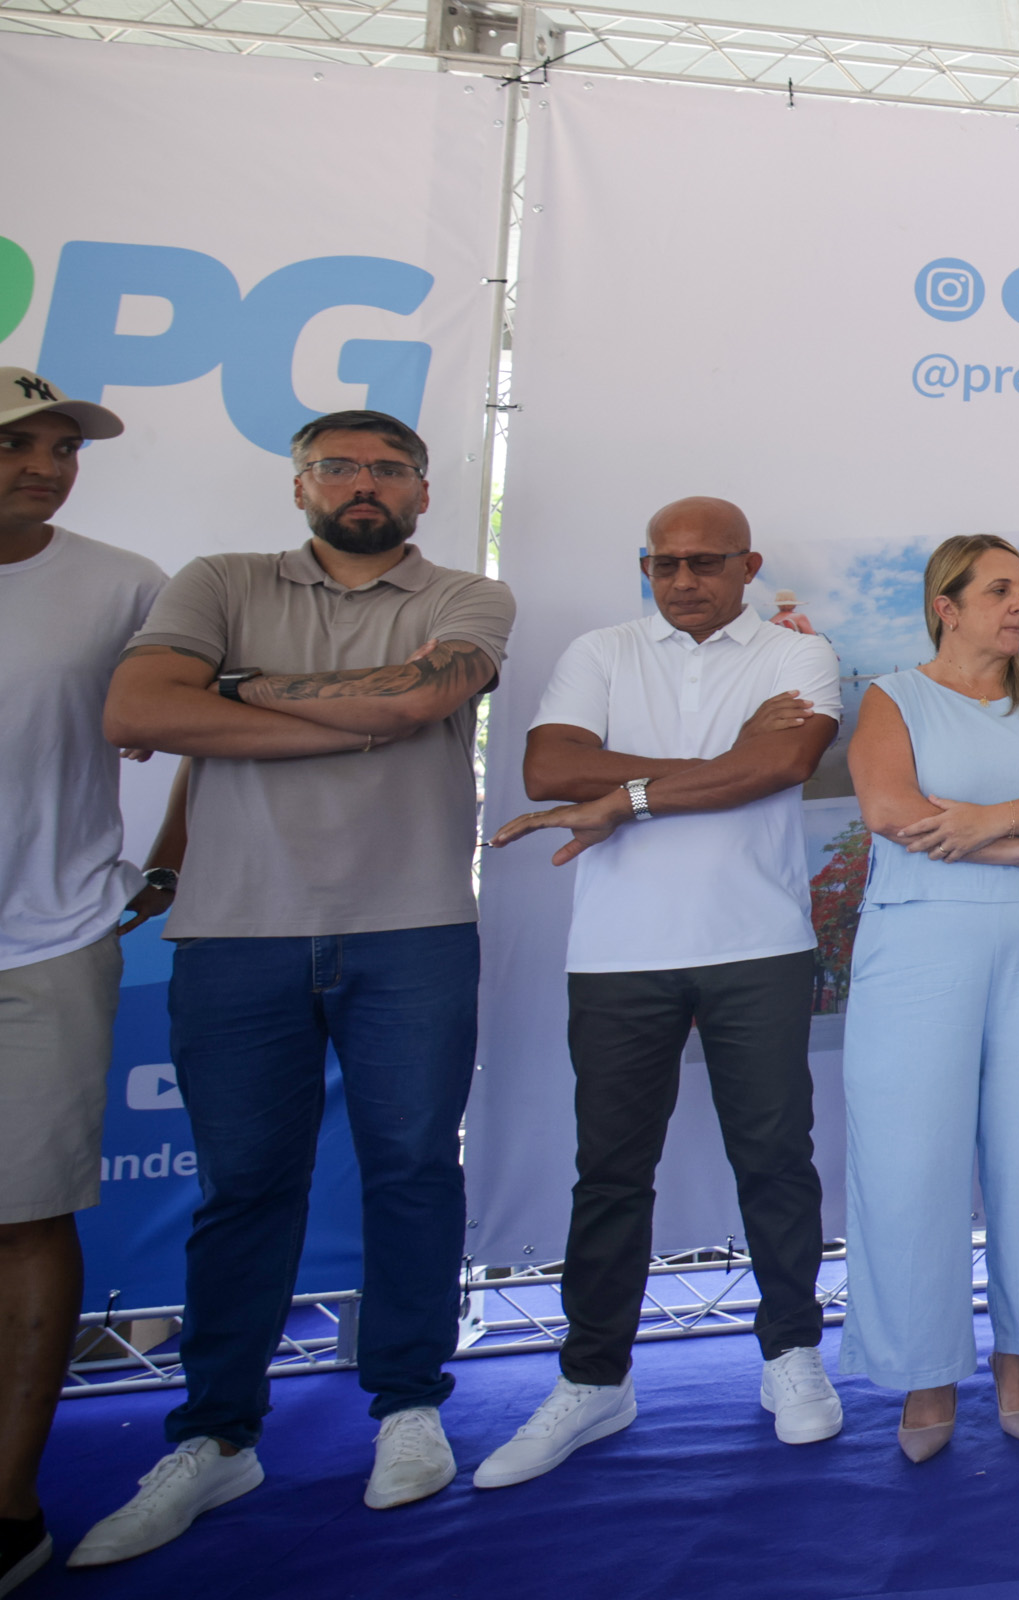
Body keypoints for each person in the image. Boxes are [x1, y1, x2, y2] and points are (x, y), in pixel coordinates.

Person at [78, 409, 513, 1565]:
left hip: (413, 924)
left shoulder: (466, 595)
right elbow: (137, 710)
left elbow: (416, 702)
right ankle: (218, 1433)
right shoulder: (218, 579)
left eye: (388, 467)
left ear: (423, 490)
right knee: (243, 1188)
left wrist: (239, 695)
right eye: (338, 465)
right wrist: (348, 717)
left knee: (412, 1170)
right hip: (236, 930)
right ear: (300, 483)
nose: (364, 482)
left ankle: (409, 1403)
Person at [474, 499, 844, 1488]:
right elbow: (549, 767)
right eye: (663, 562)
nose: (682, 580)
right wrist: (726, 767)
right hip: (617, 953)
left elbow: (786, 762)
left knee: (776, 1160)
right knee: (609, 1173)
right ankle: (594, 1377)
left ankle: (791, 1351)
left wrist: (625, 796)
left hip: (759, 944)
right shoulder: (600, 651)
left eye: (705, 562)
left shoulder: (798, 655)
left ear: (748, 566)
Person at [842, 534, 1019, 1460]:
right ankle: (925, 1369)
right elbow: (889, 809)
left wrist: (984, 823)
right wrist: (1013, 850)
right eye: (999, 589)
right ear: (946, 606)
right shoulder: (894, 696)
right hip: (919, 944)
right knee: (909, 1155)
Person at [0, 370, 167, 1593]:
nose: (46, 465)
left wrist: (168, 864)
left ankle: (9, 1502)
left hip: (45, 944)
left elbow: (200, 719)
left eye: (62, 447)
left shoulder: (124, 584)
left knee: (25, 1218)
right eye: (19, 443)